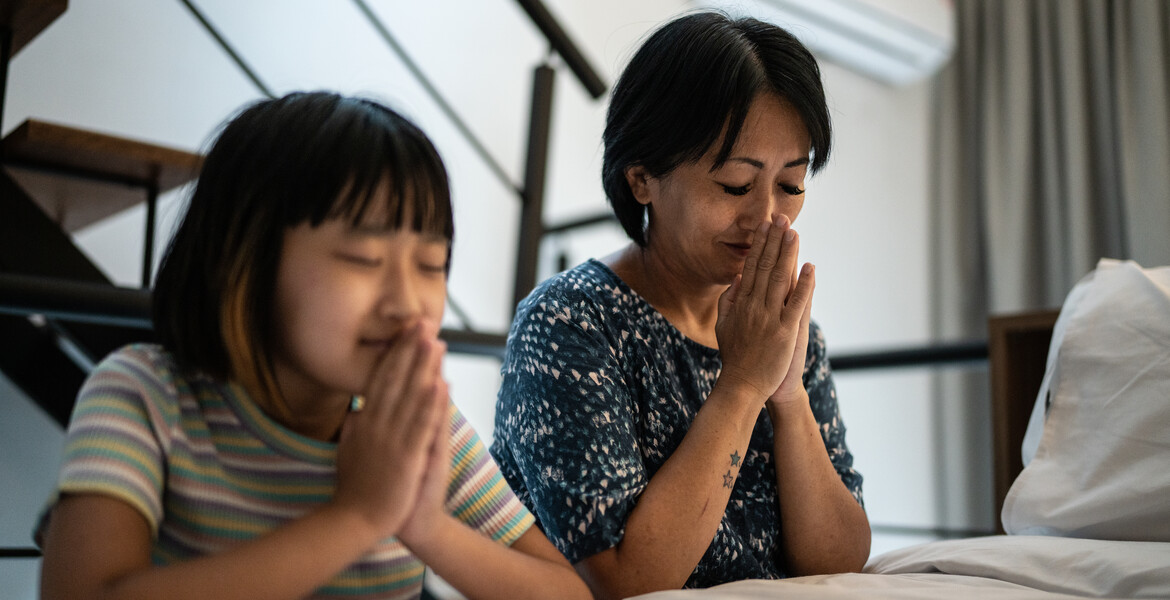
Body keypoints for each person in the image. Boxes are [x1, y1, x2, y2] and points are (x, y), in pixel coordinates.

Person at [35, 92, 590, 600]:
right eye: (362, 260)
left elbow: (568, 594)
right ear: (246, 260)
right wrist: (358, 515)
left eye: (431, 265)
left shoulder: (417, 425)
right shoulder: (144, 393)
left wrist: (423, 526)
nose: (406, 302)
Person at [490, 11, 871, 598]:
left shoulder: (787, 331)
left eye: (792, 185)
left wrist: (788, 394)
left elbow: (841, 561)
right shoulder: (569, 324)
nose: (769, 216)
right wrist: (743, 385)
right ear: (642, 178)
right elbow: (627, 579)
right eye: (736, 186)